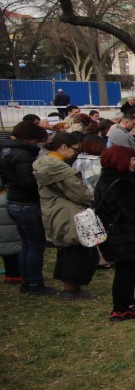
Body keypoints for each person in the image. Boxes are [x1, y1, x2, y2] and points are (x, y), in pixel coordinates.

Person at [95, 145, 135, 322]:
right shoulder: (124, 183)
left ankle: (128, 302)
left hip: (115, 232)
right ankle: (121, 307)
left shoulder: (105, 179)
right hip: (124, 234)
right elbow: (133, 211)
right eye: (132, 158)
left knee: (128, 269)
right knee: (125, 271)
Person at [34, 132, 97, 299]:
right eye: (74, 149)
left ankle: (66, 284)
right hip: (69, 211)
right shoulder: (62, 169)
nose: (75, 153)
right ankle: (71, 287)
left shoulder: (41, 163)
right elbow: (79, 192)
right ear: (63, 147)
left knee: (65, 249)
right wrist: (90, 200)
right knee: (77, 249)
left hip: (51, 208)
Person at [0, 121, 53, 294]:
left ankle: (26, 280)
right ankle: (35, 283)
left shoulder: (7, 151)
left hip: (14, 200)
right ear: (30, 138)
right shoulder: (23, 154)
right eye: (37, 140)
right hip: (26, 203)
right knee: (35, 245)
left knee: (26, 244)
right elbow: (28, 181)